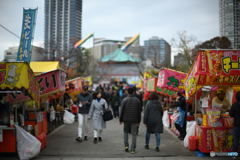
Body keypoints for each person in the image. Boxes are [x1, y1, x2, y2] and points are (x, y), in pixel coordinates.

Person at [119, 87, 141, 154]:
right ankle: (133, 149)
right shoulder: (137, 100)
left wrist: (120, 119)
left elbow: (121, 110)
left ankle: (126, 146)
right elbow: (139, 111)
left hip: (126, 120)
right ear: (133, 92)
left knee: (126, 133)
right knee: (134, 134)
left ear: (127, 92)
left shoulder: (124, 100)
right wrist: (139, 121)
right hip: (134, 120)